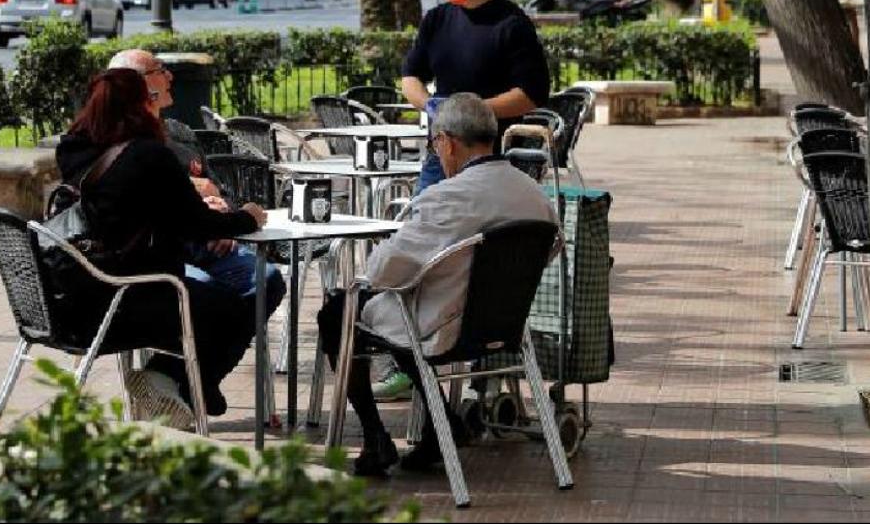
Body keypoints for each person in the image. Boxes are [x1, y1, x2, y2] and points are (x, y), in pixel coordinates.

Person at [316, 93, 558, 476]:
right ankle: (439, 424)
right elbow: (548, 250)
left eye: (434, 144)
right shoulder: (534, 194)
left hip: (442, 326)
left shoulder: (447, 197)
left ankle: (375, 437)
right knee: (404, 310)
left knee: (338, 311)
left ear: (445, 141)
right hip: (506, 325)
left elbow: (381, 272)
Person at [389, 0, 551, 401]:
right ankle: (410, 357)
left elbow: (530, 93)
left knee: (484, 263)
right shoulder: (437, 20)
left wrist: (473, 111)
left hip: (490, 163)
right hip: (440, 158)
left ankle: (486, 366)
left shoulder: (512, 24)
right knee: (419, 249)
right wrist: (432, 108)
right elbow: (410, 77)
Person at [55, 68, 268, 429]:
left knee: (228, 296)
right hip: (135, 294)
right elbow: (196, 224)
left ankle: (183, 384)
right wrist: (249, 218)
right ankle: (173, 382)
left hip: (78, 294)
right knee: (239, 305)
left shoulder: (73, 150)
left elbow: (142, 209)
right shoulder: (148, 156)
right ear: (141, 104)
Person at [106, 49, 286, 316]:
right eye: (159, 70)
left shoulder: (180, 134)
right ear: (137, 84)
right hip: (159, 255)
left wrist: (222, 213)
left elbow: (220, 190)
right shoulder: (114, 143)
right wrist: (195, 200)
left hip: (208, 244)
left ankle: (214, 348)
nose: (169, 76)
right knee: (207, 296)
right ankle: (201, 350)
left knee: (267, 280)